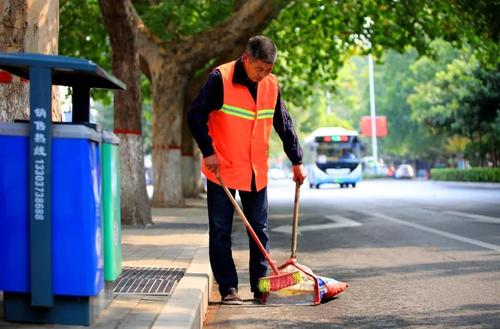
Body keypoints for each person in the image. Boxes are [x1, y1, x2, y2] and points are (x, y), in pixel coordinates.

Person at [187, 35, 306, 305]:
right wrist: (208, 151)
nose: (263, 75)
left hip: (256, 171)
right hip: (223, 169)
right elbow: (195, 115)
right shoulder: (221, 78)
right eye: (258, 69)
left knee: (260, 230)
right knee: (220, 229)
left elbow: (283, 124)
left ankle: (260, 284)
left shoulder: (271, 85)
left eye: (268, 70)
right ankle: (229, 288)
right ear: (246, 60)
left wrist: (296, 160)